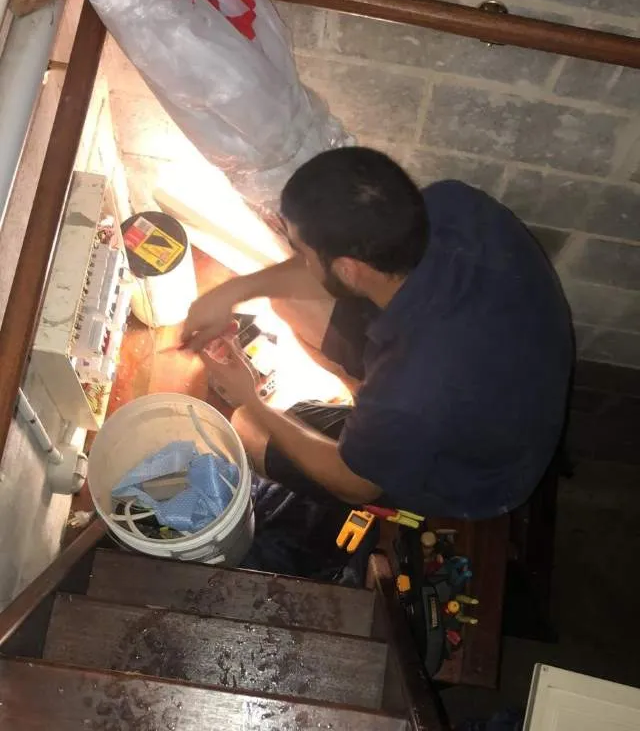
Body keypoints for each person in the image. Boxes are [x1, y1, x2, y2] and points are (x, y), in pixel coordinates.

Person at [181, 147, 573, 519]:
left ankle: (367, 426)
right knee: (285, 302)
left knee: (246, 430)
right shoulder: (449, 204)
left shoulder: (413, 388)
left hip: (478, 480)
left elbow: (357, 486)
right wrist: (232, 292)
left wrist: (250, 398)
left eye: (302, 250)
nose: (297, 256)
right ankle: (363, 407)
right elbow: (325, 279)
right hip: (503, 370)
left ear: (349, 268)